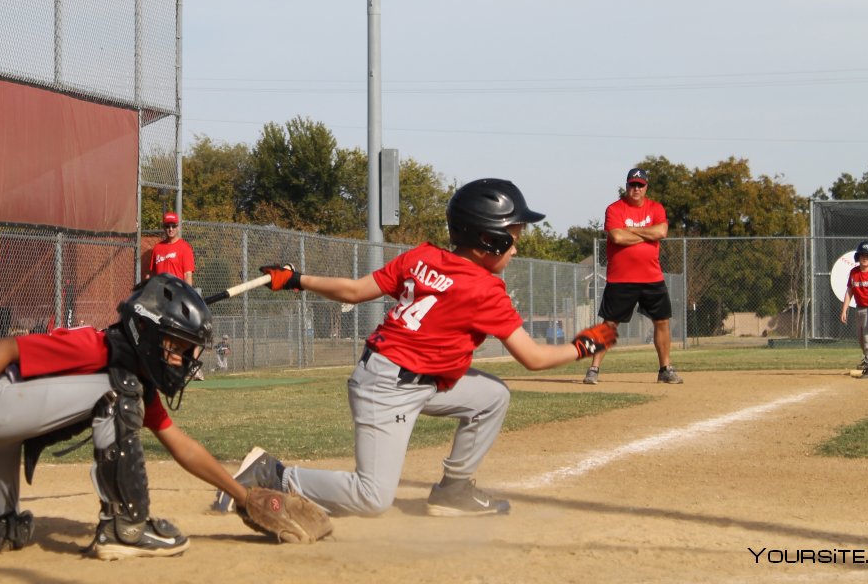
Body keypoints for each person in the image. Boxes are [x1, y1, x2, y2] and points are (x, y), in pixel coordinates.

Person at [210, 178, 617, 518]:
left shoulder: (422, 257)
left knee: (491, 396)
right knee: (372, 498)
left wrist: (298, 279)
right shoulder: (485, 289)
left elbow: (354, 292)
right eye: (510, 238)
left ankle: (453, 491)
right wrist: (584, 345)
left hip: (411, 377)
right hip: (387, 389)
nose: (515, 248)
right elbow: (534, 358)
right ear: (486, 240)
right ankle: (272, 474)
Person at [0, 275, 255, 560]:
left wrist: (246, 497)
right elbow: (4, 348)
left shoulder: (131, 376)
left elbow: (182, 446)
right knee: (119, 393)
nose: (182, 361)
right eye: (177, 347)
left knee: (2, 528)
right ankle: (127, 528)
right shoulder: (101, 349)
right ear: (148, 334)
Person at [583, 167, 682, 385]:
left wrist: (633, 232)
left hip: (652, 277)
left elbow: (662, 232)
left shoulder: (655, 208)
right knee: (609, 325)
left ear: (646, 187)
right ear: (626, 186)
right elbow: (617, 237)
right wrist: (647, 233)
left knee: (662, 321)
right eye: (632, 184)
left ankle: (665, 369)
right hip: (621, 279)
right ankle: (594, 369)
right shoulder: (615, 209)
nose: (636, 188)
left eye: (640, 185)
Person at [841, 240, 868, 379]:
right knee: (861, 338)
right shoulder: (854, 272)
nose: (865, 258)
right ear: (858, 257)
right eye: (862, 255)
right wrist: (844, 309)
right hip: (860, 309)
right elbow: (849, 291)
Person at [146, 211, 194, 284]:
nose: (171, 229)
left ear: (178, 227)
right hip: (160, 292)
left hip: (177, 292)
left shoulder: (185, 248)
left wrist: (187, 295)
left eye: (173, 226)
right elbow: (151, 274)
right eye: (167, 226)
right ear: (163, 227)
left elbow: (187, 275)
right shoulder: (157, 248)